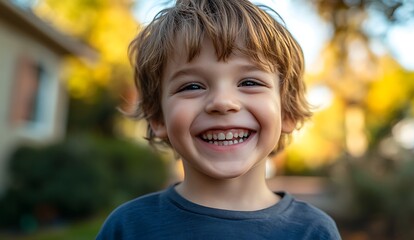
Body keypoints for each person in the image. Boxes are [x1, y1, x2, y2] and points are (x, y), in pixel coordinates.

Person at [97, 0, 341, 239]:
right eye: (192, 86)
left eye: (249, 82)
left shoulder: (313, 232)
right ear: (157, 117)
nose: (223, 102)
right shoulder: (128, 228)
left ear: (286, 111)